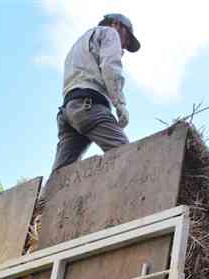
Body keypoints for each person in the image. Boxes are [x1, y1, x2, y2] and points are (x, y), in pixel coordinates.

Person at [50, 13, 141, 173]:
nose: (124, 45)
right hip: (89, 107)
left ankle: (44, 198)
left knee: (60, 175)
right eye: (127, 39)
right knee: (127, 154)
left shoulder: (79, 43)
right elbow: (110, 68)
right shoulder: (110, 33)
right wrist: (120, 104)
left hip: (68, 111)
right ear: (117, 25)